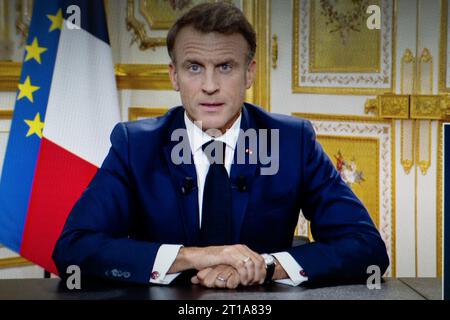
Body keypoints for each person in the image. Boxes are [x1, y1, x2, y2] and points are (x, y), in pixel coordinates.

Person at [53, 2, 389, 289]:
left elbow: (366, 247)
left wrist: (265, 266)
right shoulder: (135, 146)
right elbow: (73, 251)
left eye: (225, 67)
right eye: (194, 68)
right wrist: (198, 257)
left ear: (249, 73)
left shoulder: (292, 142)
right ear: (174, 76)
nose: (210, 86)